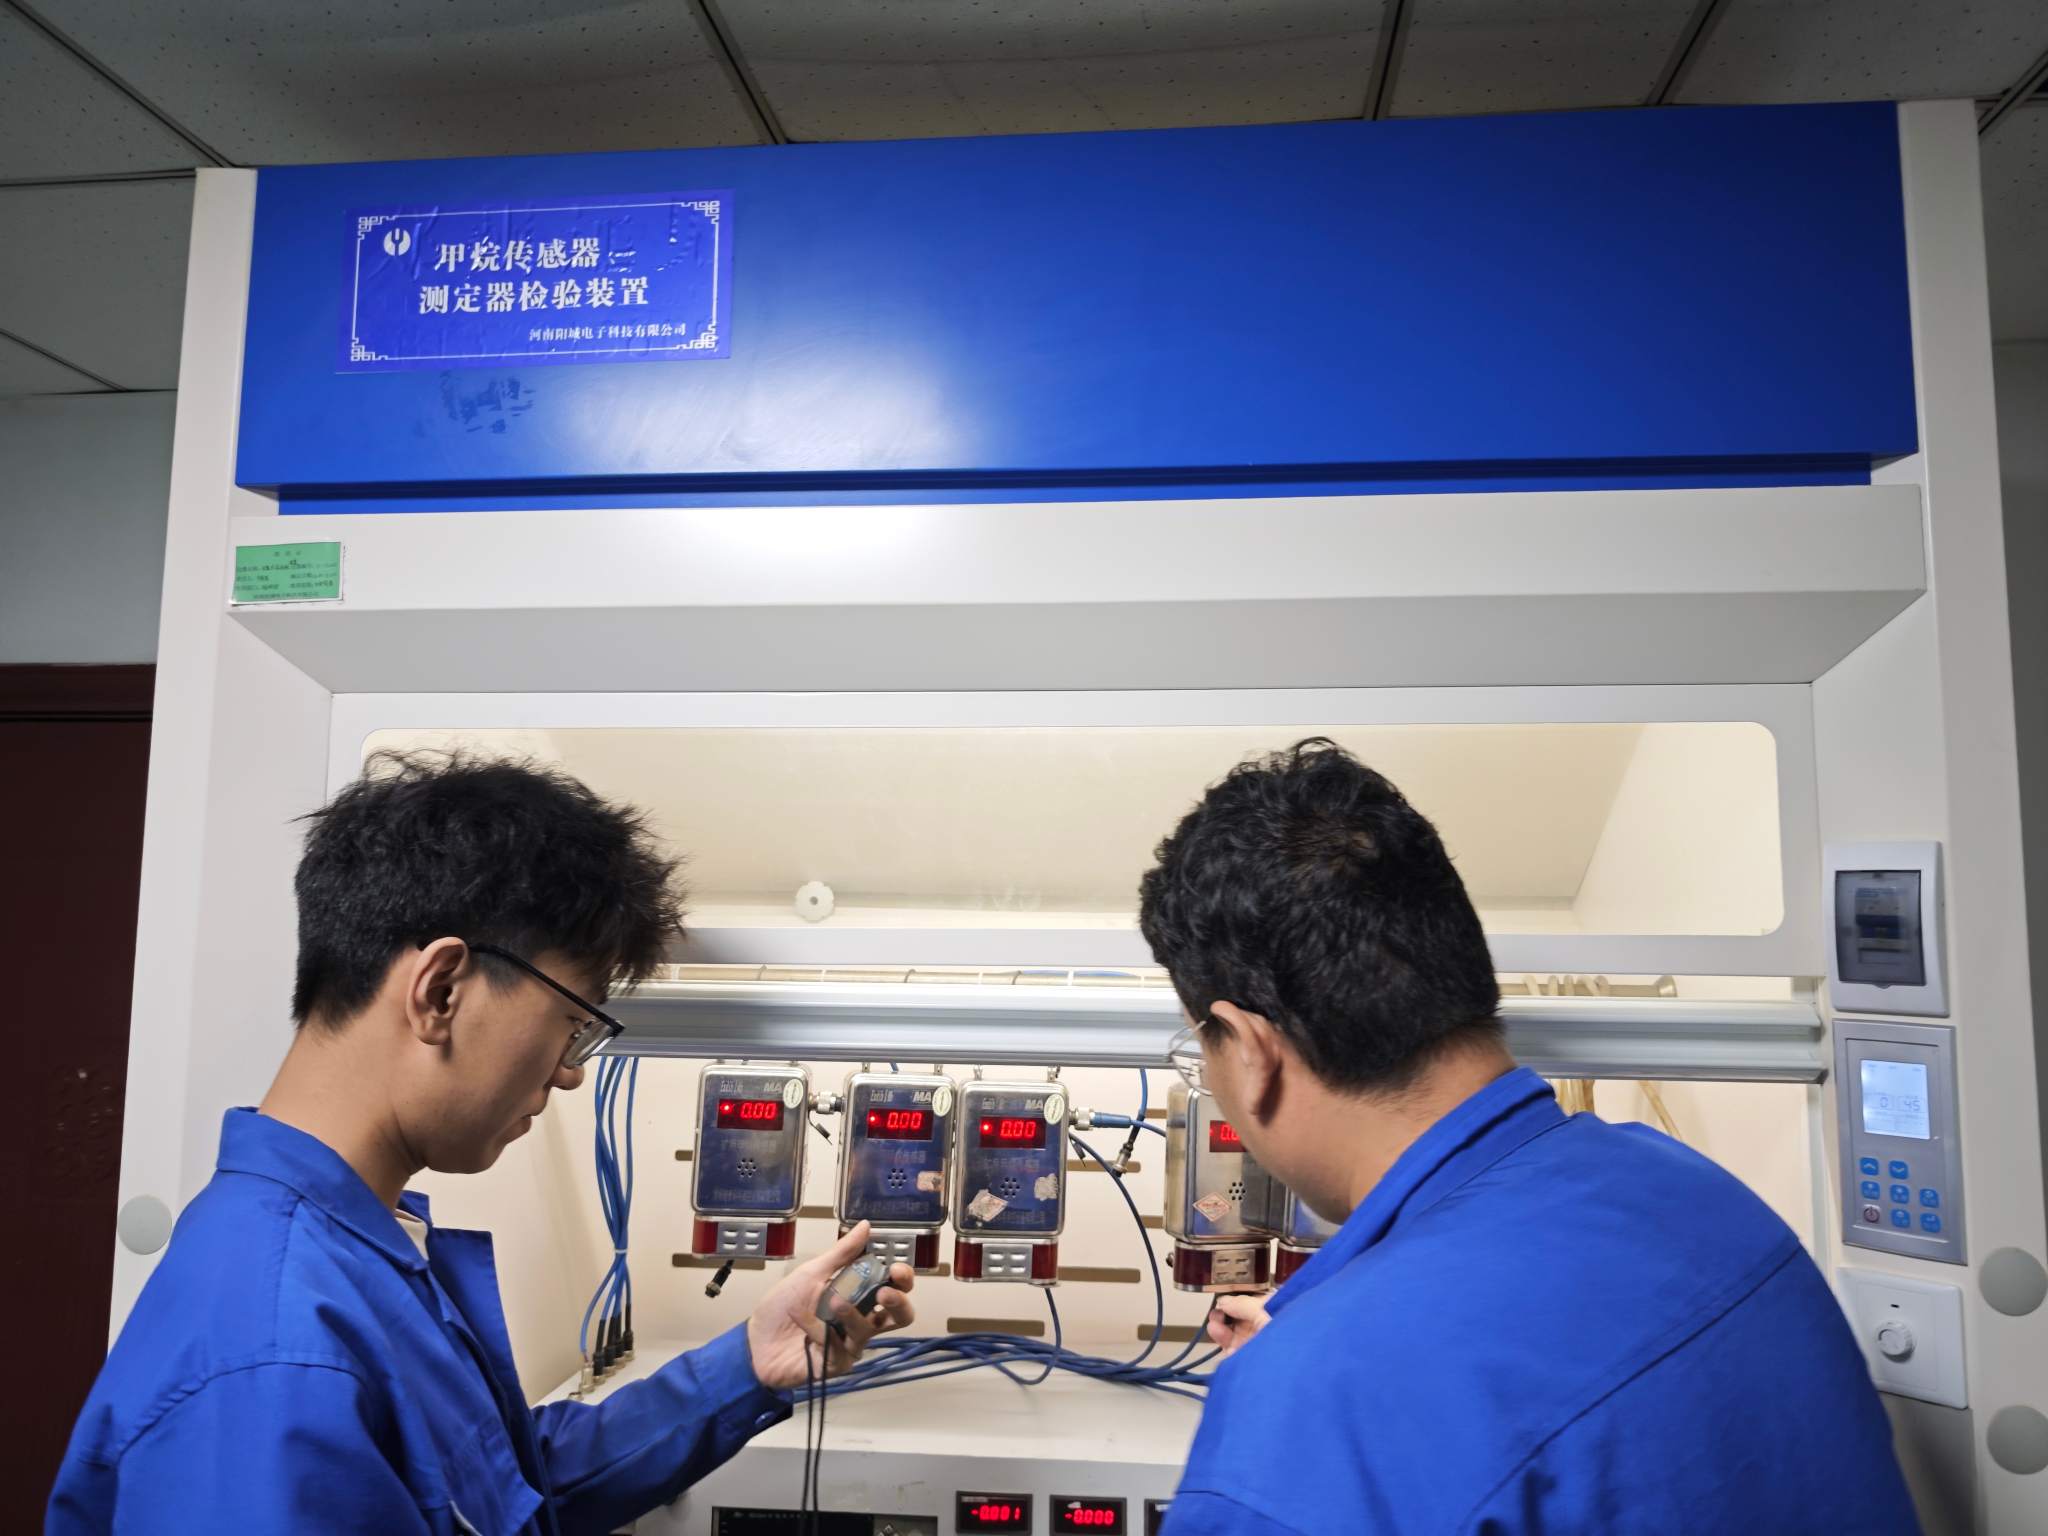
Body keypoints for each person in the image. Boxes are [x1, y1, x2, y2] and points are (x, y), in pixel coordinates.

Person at [49, 753, 913, 1534]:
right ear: (441, 990)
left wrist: (749, 1364)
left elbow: (513, 1489)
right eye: (571, 1024)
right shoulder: (276, 1359)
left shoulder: (361, 1256)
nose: (569, 1074)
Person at [1140, 739, 1917, 1536]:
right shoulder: (1698, 1193)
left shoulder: (1308, 1422)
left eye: (1200, 1048)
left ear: (1250, 1050)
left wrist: (1301, 1393)